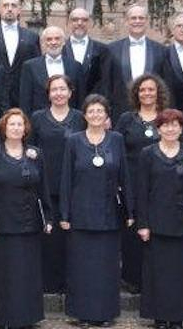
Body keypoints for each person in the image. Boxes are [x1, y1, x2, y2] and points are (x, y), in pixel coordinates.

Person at [59, 94, 133, 327]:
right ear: (85, 115)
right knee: (82, 267)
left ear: (106, 115)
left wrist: (130, 211)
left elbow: (125, 177)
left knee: (107, 267)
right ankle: (82, 313)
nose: (95, 115)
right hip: (80, 214)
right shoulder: (74, 140)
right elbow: (66, 179)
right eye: (91, 111)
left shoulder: (117, 139)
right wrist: (64, 214)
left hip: (109, 213)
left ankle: (105, 314)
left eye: (100, 111)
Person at [0, 108, 53, 328]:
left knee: (28, 272)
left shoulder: (35, 154)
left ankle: (29, 317)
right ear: (4, 128)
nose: (16, 128)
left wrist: (48, 217)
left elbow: (44, 188)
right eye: (11, 124)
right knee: (5, 273)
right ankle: (5, 318)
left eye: (19, 124)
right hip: (3, 223)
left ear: (25, 129)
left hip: (30, 222)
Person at [135, 108, 183, 329]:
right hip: (155, 224)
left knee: (180, 274)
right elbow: (142, 191)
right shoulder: (148, 154)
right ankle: (158, 316)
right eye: (166, 125)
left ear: (181, 128)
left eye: (175, 124)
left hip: (182, 224)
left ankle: (177, 318)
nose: (170, 128)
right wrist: (143, 223)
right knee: (157, 273)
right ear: (159, 128)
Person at [114, 73, 170, 294]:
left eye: (151, 89)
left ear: (158, 93)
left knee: (155, 230)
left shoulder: (167, 119)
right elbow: (116, 149)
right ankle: (131, 278)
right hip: (132, 184)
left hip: (160, 185)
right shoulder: (127, 119)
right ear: (137, 93)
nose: (147, 93)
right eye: (143, 90)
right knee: (132, 231)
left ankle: (152, 276)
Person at [29, 74, 85, 293]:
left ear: (71, 92)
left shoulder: (80, 117)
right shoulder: (37, 118)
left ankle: (71, 281)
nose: (59, 93)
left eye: (63, 89)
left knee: (72, 236)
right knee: (49, 237)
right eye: (54, 90)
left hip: (75, 186)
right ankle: (49, 282)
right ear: (48, 94)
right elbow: (30, 149)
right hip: (47, 185)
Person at [105, 5, 167, 118]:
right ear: (126, 21)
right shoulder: (111, 50)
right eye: (133, 18)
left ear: (147, 21)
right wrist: (106, 115)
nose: (137, 21)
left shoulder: (161, 50)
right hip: (119, 114)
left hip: (153, 114)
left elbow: (165, 86)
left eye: (141, 18)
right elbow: (107, 85)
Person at [0, 0, 41, 107]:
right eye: (5, 5)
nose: (9, 9)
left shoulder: (32, 37)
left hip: (22, 97)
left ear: (19, 10)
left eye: (13, 6)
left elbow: (36, 67)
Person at [20, 26, 83, 115]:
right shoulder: (30, 66)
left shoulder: (75, 66)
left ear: (63, 42)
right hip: (39, 122)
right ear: (42, 43)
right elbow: (25, 100)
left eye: (57, 39)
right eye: (49, 39)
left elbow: (80, 98)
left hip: (70, 122)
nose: (53, 42)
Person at [62, 8, 112, 103]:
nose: (79, 23)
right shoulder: (61, 49)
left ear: (90, 23)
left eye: (84, 20)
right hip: (66, 104)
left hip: (94, 105)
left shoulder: (102, 50)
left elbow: (105, 81)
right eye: (75, 20)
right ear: (68, 23)